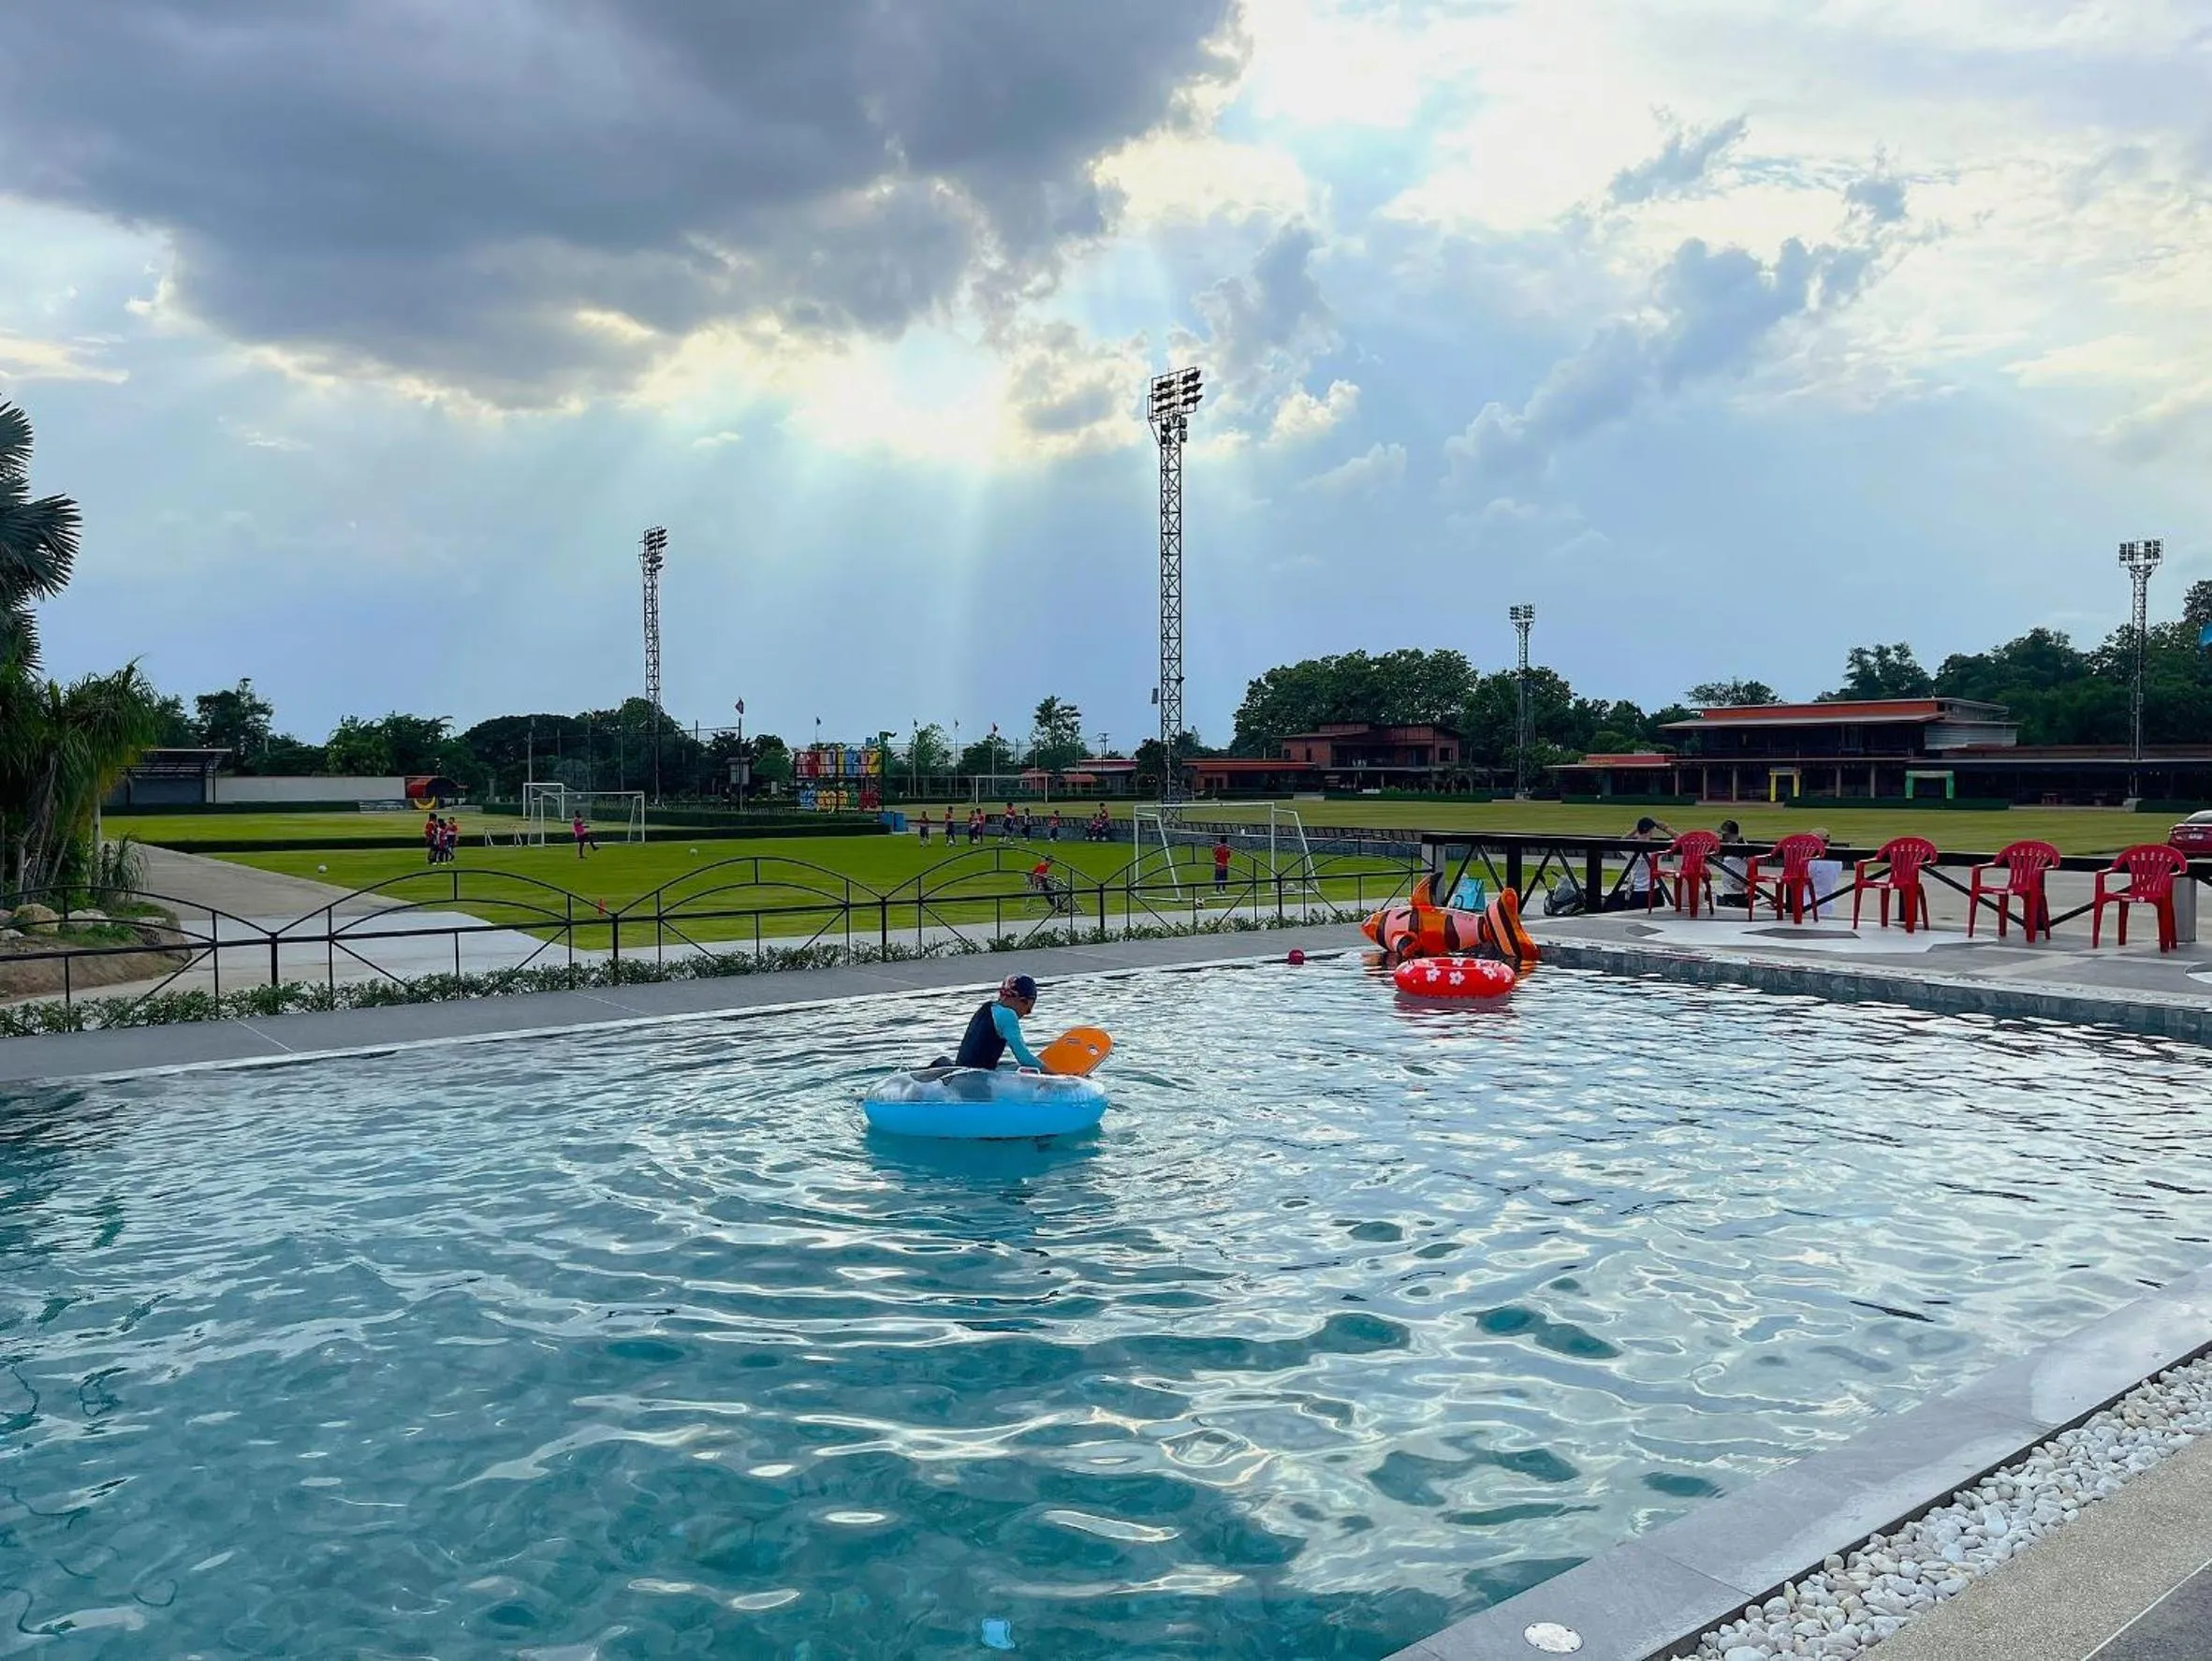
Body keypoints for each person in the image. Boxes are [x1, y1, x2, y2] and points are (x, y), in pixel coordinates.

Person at [944, 974, 1045, 1071]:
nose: (1025, 1014)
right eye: (1028, 1010)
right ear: (1022, 1000)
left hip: (962, 1072)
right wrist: (1054, 1075)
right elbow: (1024, 1058)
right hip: (973, 1082)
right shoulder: (1007, 1015)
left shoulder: (987, 1008)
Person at [1606, 816, 1673, 911]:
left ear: (1638, 830)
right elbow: (1680, 838)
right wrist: (1665, 828)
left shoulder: (1630, 849)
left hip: (1637, 894)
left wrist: (1635, 830)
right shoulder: (1657, 847)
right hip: (1655, 894)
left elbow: (1620, 842)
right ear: (1651, 830)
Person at [1713, 819, 1751, 908]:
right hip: (1728, 891)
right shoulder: (1729, 844)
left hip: (1738, 892)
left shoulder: (1741, 845)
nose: (1723, 836)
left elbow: (1752, 864)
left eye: (1725, 834)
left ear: (1731, 834)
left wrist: (1746, 884)